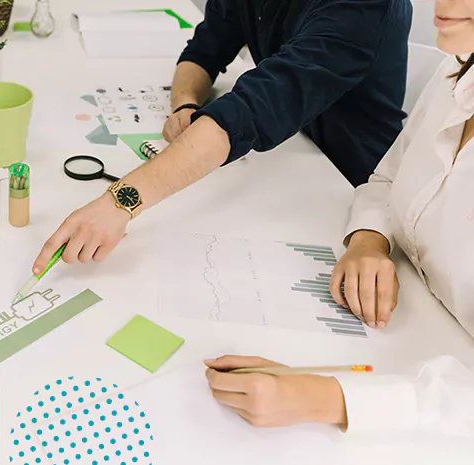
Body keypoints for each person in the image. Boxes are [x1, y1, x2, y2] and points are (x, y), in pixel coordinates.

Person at [204, 0, 474, 437]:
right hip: (408, 328)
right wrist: (369, 238)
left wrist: (326, 399)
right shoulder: (457, 74)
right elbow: (388, 177)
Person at [31, 0, 411, 273]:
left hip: (356, 193)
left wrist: (119, 203)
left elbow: (253, 108)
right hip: (289, 161)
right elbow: (204, 50)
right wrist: (184, 105)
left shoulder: (363, 7)